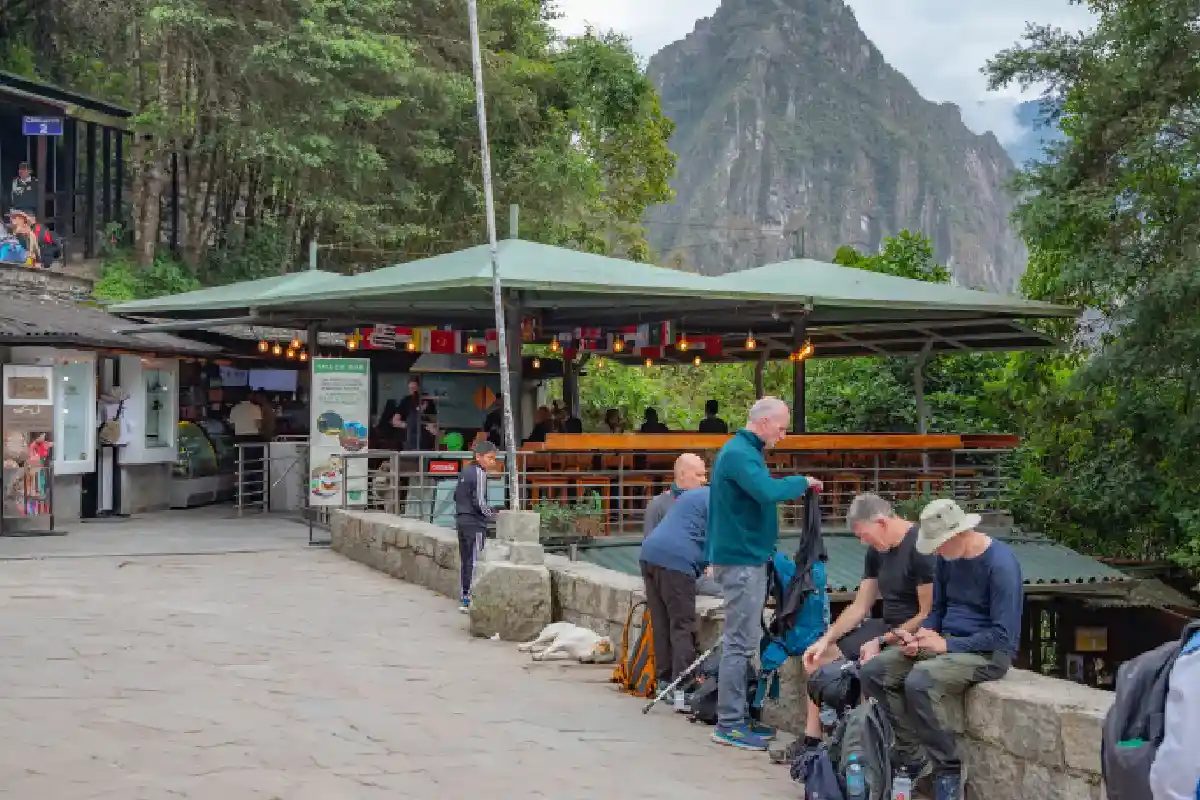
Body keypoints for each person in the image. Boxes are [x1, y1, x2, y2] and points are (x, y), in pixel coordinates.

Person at [859, 499, 1023, 800]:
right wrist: (922, 634)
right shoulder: (948, 560)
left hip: (985, 653)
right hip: (944, 641)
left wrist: (947, 644)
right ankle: (912, 756)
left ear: (958, 534)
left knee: (920, 680)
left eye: (938, 546)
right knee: (874, 671)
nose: (936, 553)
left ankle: (948, 767)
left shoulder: (1001, 565)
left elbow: (1004, 637)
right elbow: (937, 608)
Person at [707, 396, 822, 750]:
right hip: (742, 563)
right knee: (739, 644)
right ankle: (729, 723)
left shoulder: (744, 451)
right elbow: (766, 491)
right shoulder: (740, 454)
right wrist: (802, 481)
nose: (783, 435)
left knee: (742, 642)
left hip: (747, 559)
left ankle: (738, 718)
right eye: (782, 428)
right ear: (763, 422)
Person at [795, 494, 934, 753]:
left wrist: (885, 641)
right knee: (817, 657)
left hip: (912, 632)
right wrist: (826, 638)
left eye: (863, 534)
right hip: (884, 624)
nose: (862, 541)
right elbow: (860, 605)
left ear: (881, 522)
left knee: (869, 667)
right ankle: (811, 739)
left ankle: (859, 748)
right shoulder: (876, 551)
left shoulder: (921, 547)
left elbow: (927, 612)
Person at [639, 480, 710, 706]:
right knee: (682, 625)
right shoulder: (724, 502)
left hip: (650, 555)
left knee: (661, 622)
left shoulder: (693, 495)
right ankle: (683, 688)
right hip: (677, 562)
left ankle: (664, 681)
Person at [453, 440, 498, 613]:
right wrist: (493, 515)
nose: (492, 462)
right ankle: (472, 598)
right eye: (490, 458)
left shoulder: (466, 471)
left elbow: (457, 496)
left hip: (462, 520)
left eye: (494, 458)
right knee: (475, 560)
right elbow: (479, 502)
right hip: (474, 522)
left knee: (466, 559)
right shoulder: (479, 473)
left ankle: (464, 595)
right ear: (478, 457)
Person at [643, 453, 707, 536]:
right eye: (699, 475)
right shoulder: (658, 506)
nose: (704, 480)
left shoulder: (708, 504)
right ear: (682, 474)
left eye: (705, 475)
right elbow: (650, 546)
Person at [393, 378, 436, 451]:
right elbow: (395, 421)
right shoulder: (406, 401)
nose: (413, 391)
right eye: (411, 388)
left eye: (414, 388)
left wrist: (431, 426)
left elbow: (434, 419)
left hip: (425, 440)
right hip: (409, 440)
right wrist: (408, 425)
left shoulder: (427, 399)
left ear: (419, 387)